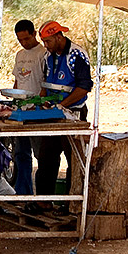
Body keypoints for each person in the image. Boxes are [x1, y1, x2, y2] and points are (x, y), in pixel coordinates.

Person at [33, 21, 93, 209]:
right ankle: (44, 202)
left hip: (73, 113)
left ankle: (71, 204)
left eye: (48, 41)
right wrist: (41, 102)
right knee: (46, 158)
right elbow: (45, 83)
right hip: (52, 113)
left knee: (74, 159)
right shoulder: (48, 56)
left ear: (59, 36)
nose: (46, 45)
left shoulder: (77, 54)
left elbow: (84, 87)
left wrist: (62, 105)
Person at [10, 20, 44, 195]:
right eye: (20, 40)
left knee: (41, 155)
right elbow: (18, 80)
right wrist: (14, 100)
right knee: (21, 154)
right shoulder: (19, 55)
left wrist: (40, 102)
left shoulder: (43, 53)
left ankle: (42, 195)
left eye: (26, 38)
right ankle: (23, 192)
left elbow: (46, 82)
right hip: (21, 110)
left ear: (34, 34)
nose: (24, 43)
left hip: (37, 111)